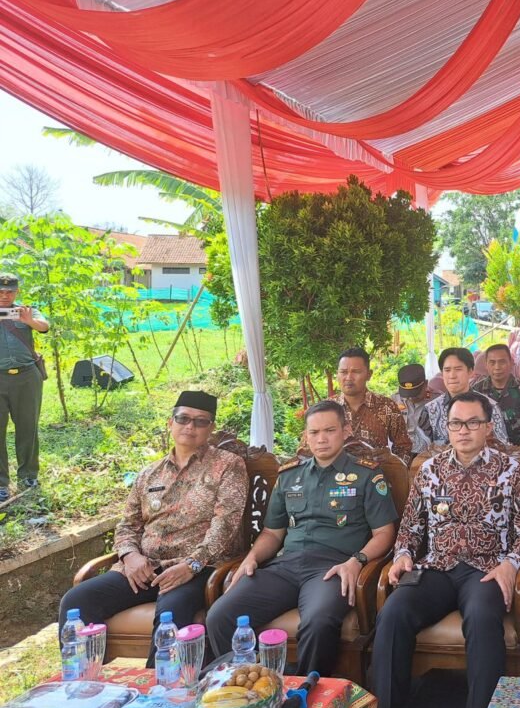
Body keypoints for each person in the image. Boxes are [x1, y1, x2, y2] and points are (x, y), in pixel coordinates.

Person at [372, 392, 520, 708]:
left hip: (487, 569)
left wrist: (511, 564)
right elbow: (411, 527)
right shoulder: (429, 469)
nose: (464, 430)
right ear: (446, 427)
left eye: (473, 422)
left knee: (481, 617)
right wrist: (403, 553)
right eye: (456, 423)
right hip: (436, 568)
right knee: (393, 613)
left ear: (488, 427)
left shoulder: (511, 470)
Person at [208, 400, 397, 675]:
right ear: (306, 436)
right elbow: (273, 532)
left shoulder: (366, 474)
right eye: (314, 432)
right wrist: (252, 557)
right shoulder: (289, 476)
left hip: (333, 568)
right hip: (285, 566)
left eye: (330, 430)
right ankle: (250, 687)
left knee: (319, 622)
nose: (321, 439)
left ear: (346, 430)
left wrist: (357, 561)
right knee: (220, 616)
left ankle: (306, 692)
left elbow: (384, 533)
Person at [60, 391, 247, 665]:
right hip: (143, 569)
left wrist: (192, 565)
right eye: (183, 418)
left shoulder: (228, 466)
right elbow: (128, 525)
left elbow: (226, 524)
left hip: (197, 569)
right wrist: (130, 556)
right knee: (77, 600)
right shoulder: (149, 473)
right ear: (170, 423)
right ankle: (85, 685)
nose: (190, 427)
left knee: (173, 608)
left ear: (211, 428)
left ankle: (158, 693)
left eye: (200, 421)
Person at [301, 348, 412, 462]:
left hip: (375, 477)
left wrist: (391, 460)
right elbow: (304, 451)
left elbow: (404, 446)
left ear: (369, 374)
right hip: (332, 477)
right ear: (337, 374)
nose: (348, 378)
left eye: (356, 372)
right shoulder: (325, 410)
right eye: (343, 372)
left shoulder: (387, 407)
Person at [0, 272, 49, 500]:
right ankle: (1, 483)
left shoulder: (26, 311)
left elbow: (44, 326)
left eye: (10, 291)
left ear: (17, 291)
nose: (5, 295)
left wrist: (28, 321)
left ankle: (28, 475)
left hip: (26, 378)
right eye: (1, 291)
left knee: (28, 428)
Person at [419, 348, 509, 445]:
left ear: (470, 372)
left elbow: (502, 446)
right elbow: (422, 450)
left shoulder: (491, 406)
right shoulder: (430, 409)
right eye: (447, 370)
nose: (452, 375)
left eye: (458, 369)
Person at [472, 344, 520, 446]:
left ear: (511, 363)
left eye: (502, 362)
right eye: (492, 362)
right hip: (485, 450)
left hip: (517, 451)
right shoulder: (476, 391)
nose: (497, 367)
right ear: (486, 365)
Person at [392, 364, 436, 458]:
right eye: (407, 394)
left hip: (428, 453)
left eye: (415, 393)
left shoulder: (436, 401)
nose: (411, 397)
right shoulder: (394, 401)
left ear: (426, 384)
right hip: (401, 451)